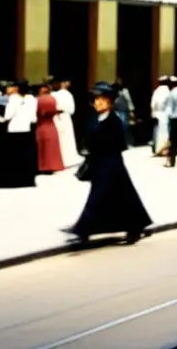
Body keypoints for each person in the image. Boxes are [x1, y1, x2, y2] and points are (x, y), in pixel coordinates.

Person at [65, 83, 152, 245]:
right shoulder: (93, 119)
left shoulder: (114, 121)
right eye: (96, 100)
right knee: (119, 198)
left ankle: (83, 230)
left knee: (99, 198)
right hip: (99, 163)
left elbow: (120, 144)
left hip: (112, 163)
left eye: (102, 100)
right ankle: (134, 226)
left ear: (110, 102)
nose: (98, 103)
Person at [35, 81, 65, 174]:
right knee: (52, 148)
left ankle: (42, 166)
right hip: (51, 126)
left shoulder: (38, 100)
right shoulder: (53, 99)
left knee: (42, 148)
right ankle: (52, 166)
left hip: (41, 125)